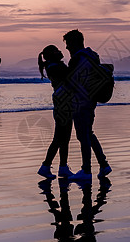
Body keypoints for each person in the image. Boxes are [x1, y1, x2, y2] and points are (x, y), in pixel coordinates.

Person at [63, 29, 112, 181]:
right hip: (90, 101)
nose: (67, 48)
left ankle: (86, 170)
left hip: (81, 103)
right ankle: (103, 165)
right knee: (88, 133)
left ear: (76, 42)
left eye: (69, 44)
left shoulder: (78, 59)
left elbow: (69, 82)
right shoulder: (92, 56)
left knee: (83, 135)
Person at [37, 45, 74, 179]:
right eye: (57, 50)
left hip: (63, 102)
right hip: (63, 103)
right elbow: (71, 75)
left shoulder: (53, 66)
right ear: (52, 54)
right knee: (60, 137)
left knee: (63, 138)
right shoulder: (55, 67)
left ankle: (62, 167)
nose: (60, 52)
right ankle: (46, 166)